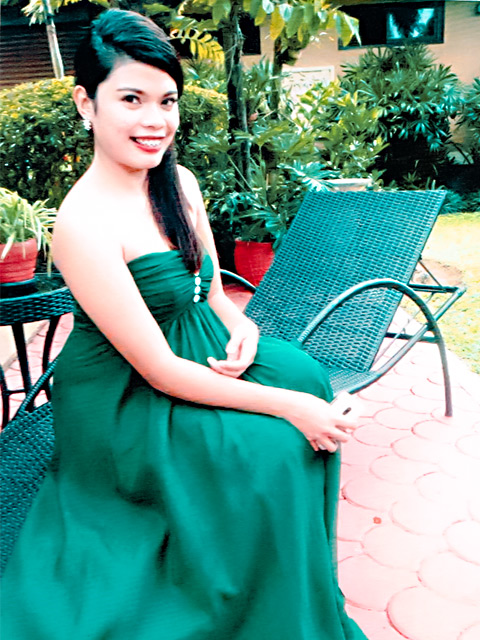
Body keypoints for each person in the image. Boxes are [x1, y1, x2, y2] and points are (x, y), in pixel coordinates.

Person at [1, 9, 368, 639]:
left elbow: (211, 290)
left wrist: (241, 325)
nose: (155, 120)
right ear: (87, 103)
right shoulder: (83, 223)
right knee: (277, 446)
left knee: (306, 375)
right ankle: (247, 605)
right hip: (124, 395)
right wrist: (289, 409)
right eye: (132, 99)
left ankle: (289, 584)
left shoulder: (181, 183)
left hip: (193, 345)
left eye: (167, 101)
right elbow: (160, 371)